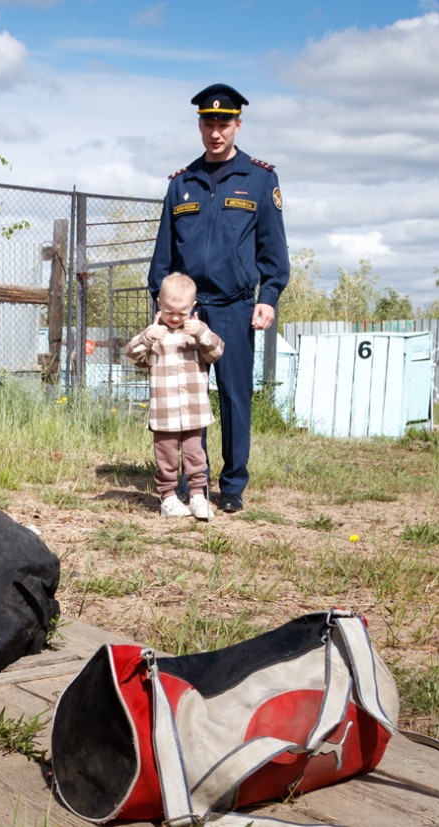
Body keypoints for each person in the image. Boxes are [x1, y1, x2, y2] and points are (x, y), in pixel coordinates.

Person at [148, 83, 289, 513]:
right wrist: (161, 304)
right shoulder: (181, 184)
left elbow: (273, 249)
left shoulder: (260, 179)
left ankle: (232, 485)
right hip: (187, 311)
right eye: (208, 122)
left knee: (234, 396)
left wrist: (270, 296)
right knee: (188, 397)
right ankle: (196, 484)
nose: (216, 131)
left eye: (224, 123)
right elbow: (163, 255)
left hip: (234, 306)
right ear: (200, 125)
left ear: (237, 125)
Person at [126, 273, 225, 521]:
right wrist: (148, 336)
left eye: (182, 312)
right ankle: (168, 498)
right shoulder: (155, 335)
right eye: (170, 311)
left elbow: (217, 352)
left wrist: (201, 332)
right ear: (160, 304)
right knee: (166, 457)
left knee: (195, 455)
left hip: (194, 411)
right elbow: (131, 356)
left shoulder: (196, 333)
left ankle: (197, 497)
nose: (175, 317)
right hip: (165, 413)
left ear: (193, 307)